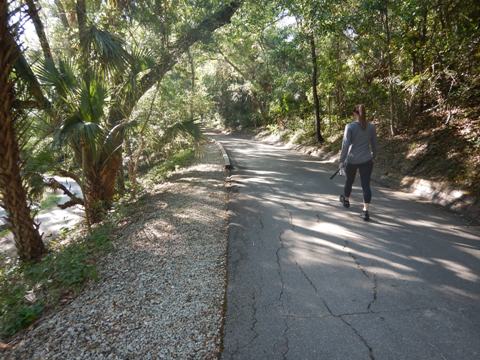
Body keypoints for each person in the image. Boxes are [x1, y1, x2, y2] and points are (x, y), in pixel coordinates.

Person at [339, 104, 377, 221]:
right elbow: (374, 144)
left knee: (349, 181)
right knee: (366, 185)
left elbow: (345, 145)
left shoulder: (349, 127)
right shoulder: (371, 127)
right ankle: (365, 211)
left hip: (352, 160)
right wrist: (373, 156)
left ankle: (346, 200)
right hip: (366, 160)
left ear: (355, 113)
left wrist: (341, 161)